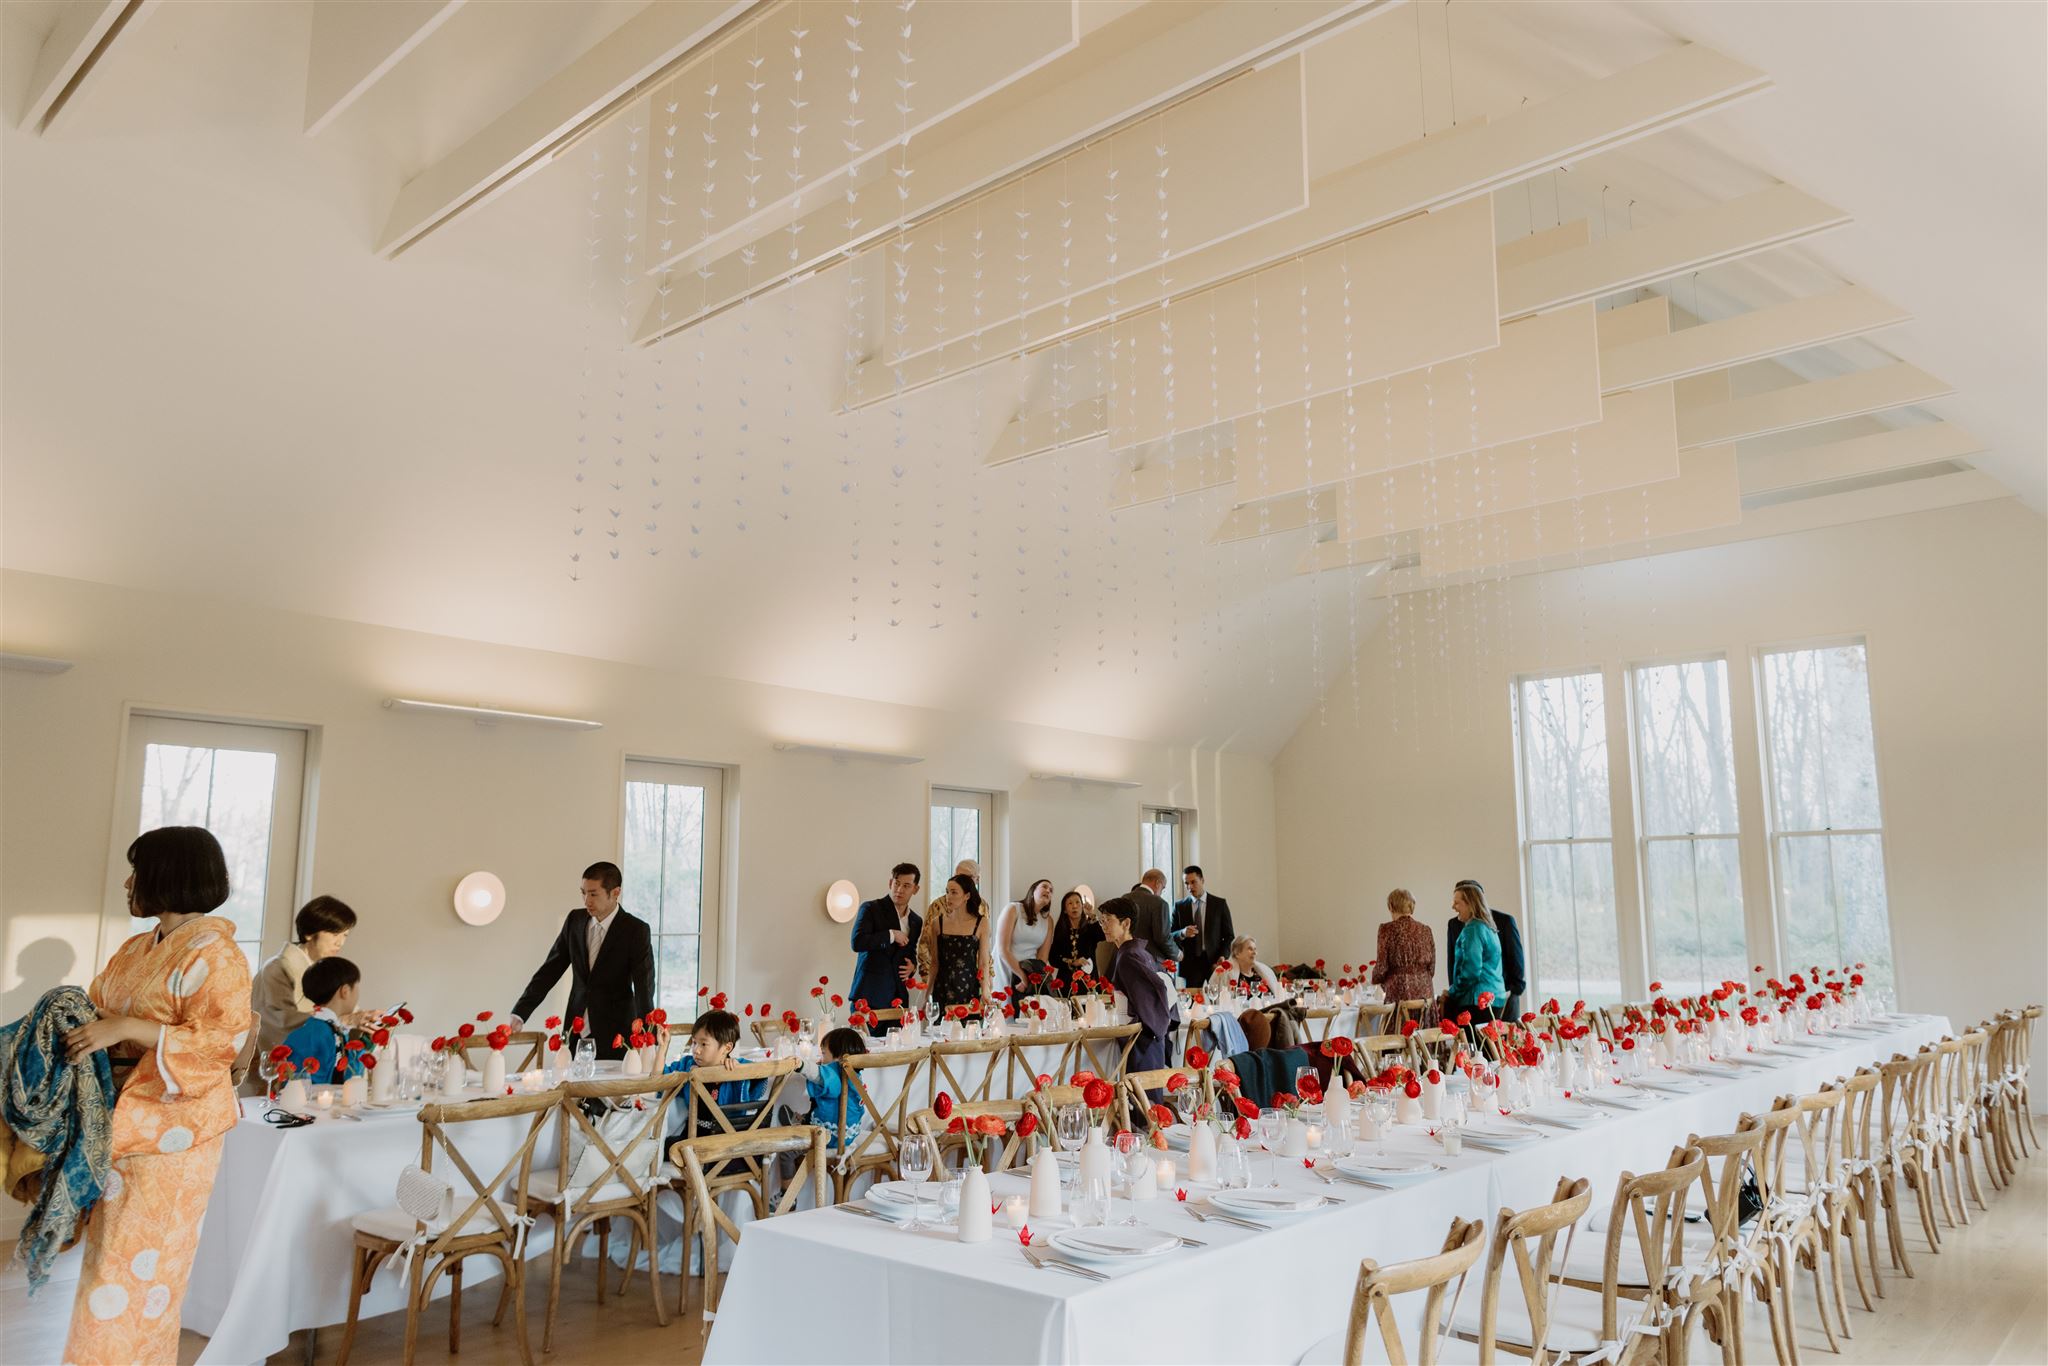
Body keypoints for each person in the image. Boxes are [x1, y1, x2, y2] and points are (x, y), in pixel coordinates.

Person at [60, 826, 253, 1366]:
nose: (128, 882)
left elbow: (221, 1043)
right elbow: (99, 1008)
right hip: (123, 1121)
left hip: (175, 1133)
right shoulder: (138, 947)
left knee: (142, 1274)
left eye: (138, 870)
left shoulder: (219, 955)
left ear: (169, 876)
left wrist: (132, 1028)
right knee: (107, 1269)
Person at [510, 861, 655, 1060]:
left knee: (611, 1090)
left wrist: (648, 1037)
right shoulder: (574, 921)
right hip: (574, 1029)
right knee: (572, 1087)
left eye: (593, 894)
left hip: (617, 1032)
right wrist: (521, 1012)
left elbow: (643, 986)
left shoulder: (636, 930)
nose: (587, 900)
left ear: (615, 892)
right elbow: (550, 970)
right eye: (583, 893)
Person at [246, 895, 358, 1083]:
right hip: (272, 1073)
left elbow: (340, 1011)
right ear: (308, 934)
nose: (340, 943)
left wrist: (363, 1020)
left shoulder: (326, 970)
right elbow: (280, 1021)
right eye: (334, 934)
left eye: (345, 935)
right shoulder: (277, 968)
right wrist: (339, 1020)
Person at [662, 1009, 768, 1135]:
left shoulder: (735, 1066)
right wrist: (663, 1047)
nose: (696, 1050)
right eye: (694, 1042)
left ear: (727, 1048)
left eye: (703, 1044)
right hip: (694, 1134)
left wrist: (740, 1070)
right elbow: (661, 1079)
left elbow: (761, 1078)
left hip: (728, 1139)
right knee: (666, 1148)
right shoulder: (688, 1064)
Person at [1097, 898, 1172, 1073]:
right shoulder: (1135, 952)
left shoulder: (1129, 956)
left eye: (1108, 920)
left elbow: (1156, 991)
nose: (1103, 926)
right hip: (1145, 1039)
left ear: (1126, 923)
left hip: (1142, 1043)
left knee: (1143, 1098)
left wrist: (1144, 1030)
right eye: (1101, 921)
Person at [849, 863, 924, 1030]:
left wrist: (913, 966)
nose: (900, 890)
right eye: (897, 883)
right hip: (869, 995)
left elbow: (910, 951)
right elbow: (857, 942)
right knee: (866, 1053)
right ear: (890, 883)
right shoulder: (870, 908)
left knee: (898, 1052)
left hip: (898, 999)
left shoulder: (916, 921)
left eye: (906, 886)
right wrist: (891, 934)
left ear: (915, 889)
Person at [1444, 879, 1524, 1020]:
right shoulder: (1488, 926)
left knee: (1472, 1042)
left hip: (1476, 1000)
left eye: (1457, 903)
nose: (1453, 907)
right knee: (1490, 1042)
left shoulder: (1473, 929)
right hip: (1494, 999)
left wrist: (1453, 992)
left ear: (1470, 903)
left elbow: (1471, 971)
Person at [276, 956, 366, 1083]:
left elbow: (348, 1077)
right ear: (345, 991)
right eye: (357, 987)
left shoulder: (331, 1029)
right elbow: (305, 1084)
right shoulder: (317, 1033)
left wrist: (366, 1043)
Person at [917, 873, 989, 1015]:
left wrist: (986, 991)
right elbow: (934, 963)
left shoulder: (981, 923)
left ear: (967, 896)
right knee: (940, 1033)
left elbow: (983, 963)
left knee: (969, 1033)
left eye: (954, 892)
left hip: (969, 988)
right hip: (942, 987)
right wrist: (926, 995)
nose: (948, 896)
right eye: (947, 892)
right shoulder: (937, 923)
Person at [795, 1026, 867, 1149]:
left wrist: (801, 1065)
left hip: (830, 1138)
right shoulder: (854, 1074)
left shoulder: (835, 1072)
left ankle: (800, 1123)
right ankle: (804, 1119)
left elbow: (816, 1074)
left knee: (787, 1153)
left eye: (823, 1053)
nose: (821, 1058)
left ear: (839, 1057)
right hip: (849, 1133)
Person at [1170, 865, 1235, 988]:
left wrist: (1223, 956)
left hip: (1215, 961)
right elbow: (1170, 935)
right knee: (1193, 1003)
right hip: (1190, 963)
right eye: (1186, 883)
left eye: (1193, 882)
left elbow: (1229, 935)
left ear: (1202, 880)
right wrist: (1183, 933)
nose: (1190, 887)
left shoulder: (1219, 904)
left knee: (1217, 999)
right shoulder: (1179, 907)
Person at [1371, 888, 1435, 1005]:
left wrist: (1375, 980)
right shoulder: (1426, 930)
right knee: (1423, 1024)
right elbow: (1432, 967)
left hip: (1400, 994)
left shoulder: (1386, 930)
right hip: (1425, 995)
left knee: (1402, 1023)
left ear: (1390, 906)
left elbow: (1381, 967)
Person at [997, 878, 1056, 991]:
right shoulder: (1013, 909)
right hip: (1007, 967)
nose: (1048, 891)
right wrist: (1022, 976)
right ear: (1033, 890)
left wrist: (1033, 979)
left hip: (1031, 972)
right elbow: (1003, 949)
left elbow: (1042, 957)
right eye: (1044, 887)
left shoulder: (1048, 921)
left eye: (1051, 890)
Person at [1043, 888, 1104, 988]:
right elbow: (1053, 958)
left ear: (1082, 906)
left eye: (1077, 902)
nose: (1074, 906)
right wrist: (1072, 962)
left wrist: (1092, 915)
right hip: (1066, 981)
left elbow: (1103, 935)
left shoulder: (1090, 927)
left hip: (1088, 980)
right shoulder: (1061, 930)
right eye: (1070, 904)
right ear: (1065, 910)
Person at [1128, 870, 1180, 970]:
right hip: (1150, 963)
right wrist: (1177, 954)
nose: (1161, 892)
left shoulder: (1124, 898)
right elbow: (1162, 938)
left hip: (1125, 960)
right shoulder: (1159, 903)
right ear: (1157, 883)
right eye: (1163, 888)